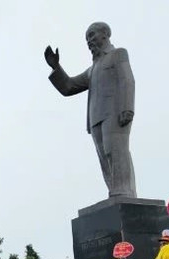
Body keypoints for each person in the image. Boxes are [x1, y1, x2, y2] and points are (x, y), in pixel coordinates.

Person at [45, 22, 137, 198]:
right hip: (95, 118)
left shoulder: (118, 54)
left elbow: (127, 80)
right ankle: (114, 191)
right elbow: (69, 87)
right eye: (87, 38)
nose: (89, 41)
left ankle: (125, 191)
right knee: (103, 157)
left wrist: (127, 108)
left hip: (116, 112)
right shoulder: (92, 69)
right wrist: (56, 68)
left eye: (92, 35)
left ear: (105, 34)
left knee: (115, 151)